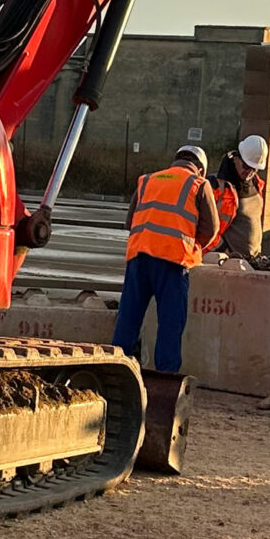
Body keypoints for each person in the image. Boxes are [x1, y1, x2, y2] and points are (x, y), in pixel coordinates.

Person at [112, 145, 218, 373]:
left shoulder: (147, 180)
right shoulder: (199, 184)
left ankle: (115, 371)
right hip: (173, 260)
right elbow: (211, 229)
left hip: (138, 257)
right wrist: (193, 244)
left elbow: (129, 222)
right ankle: (164, 381)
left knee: (128, 319)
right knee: (170, 324)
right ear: (200, 168)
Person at [207, 135, 269, 259]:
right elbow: (204, 225)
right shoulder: (215, 185)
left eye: (255, 169)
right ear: (236, 158)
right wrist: (222, 251)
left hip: (252, 259)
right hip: (226, 261)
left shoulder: (257, 184)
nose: (250, 172)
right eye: (246, 166)